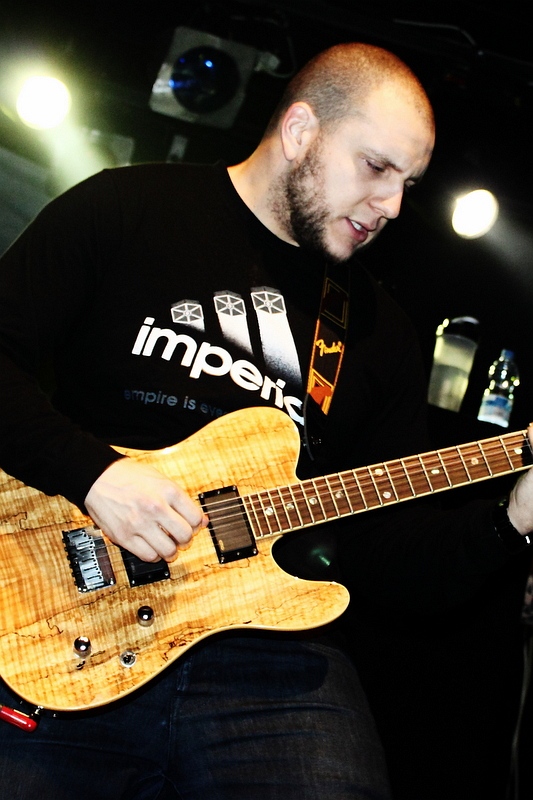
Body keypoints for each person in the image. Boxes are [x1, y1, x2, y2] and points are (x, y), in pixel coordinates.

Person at [0, 40, 531, 800]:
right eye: (376, 168)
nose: (391, 206)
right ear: (299, 132)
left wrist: (509, 522)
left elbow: (388, 560)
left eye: (408, 183)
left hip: (268, 659)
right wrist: (96, 473)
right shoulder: (127, 208)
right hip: (63, 603)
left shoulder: (378, 332)